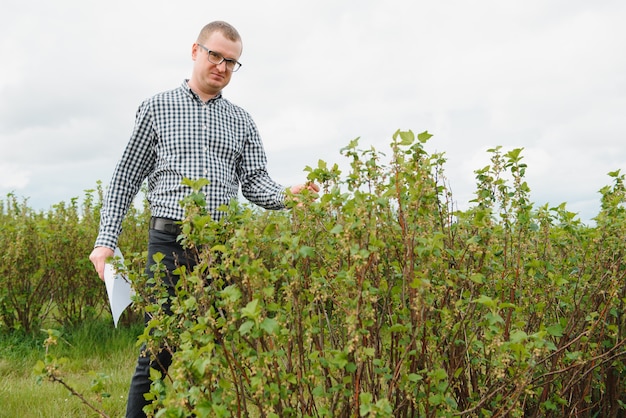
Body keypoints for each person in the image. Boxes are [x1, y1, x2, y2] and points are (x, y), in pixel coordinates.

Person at [89, 20, 319, 418]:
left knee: (211, 352)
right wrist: (105, 240)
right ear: (196, 51)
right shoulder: (156, 108)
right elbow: (126, 176)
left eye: (232, 62)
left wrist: (287, 196)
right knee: (158, 351)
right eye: (215, 56)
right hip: (169, 245)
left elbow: (255, 182)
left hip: (219, 248)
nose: (223, 67)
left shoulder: (242, 121)